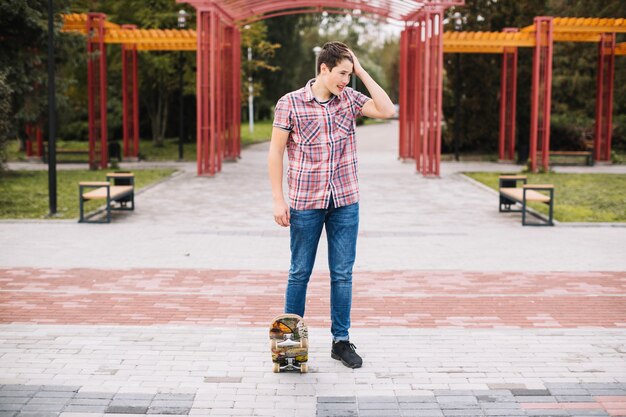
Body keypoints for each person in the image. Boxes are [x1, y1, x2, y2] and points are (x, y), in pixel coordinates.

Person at [267, 41, 395, 369]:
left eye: (349, 75)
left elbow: (387, 110)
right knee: (299, 273)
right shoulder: (290, 104)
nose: (345, 81)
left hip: (344, 203)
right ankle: (290, 346)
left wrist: (361, 70)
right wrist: (278, 200)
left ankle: (341, 341)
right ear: (323, 69)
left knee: (342, 274)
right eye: (341, 73)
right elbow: (275, 153)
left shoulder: (349, 99)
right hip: (306, 203)